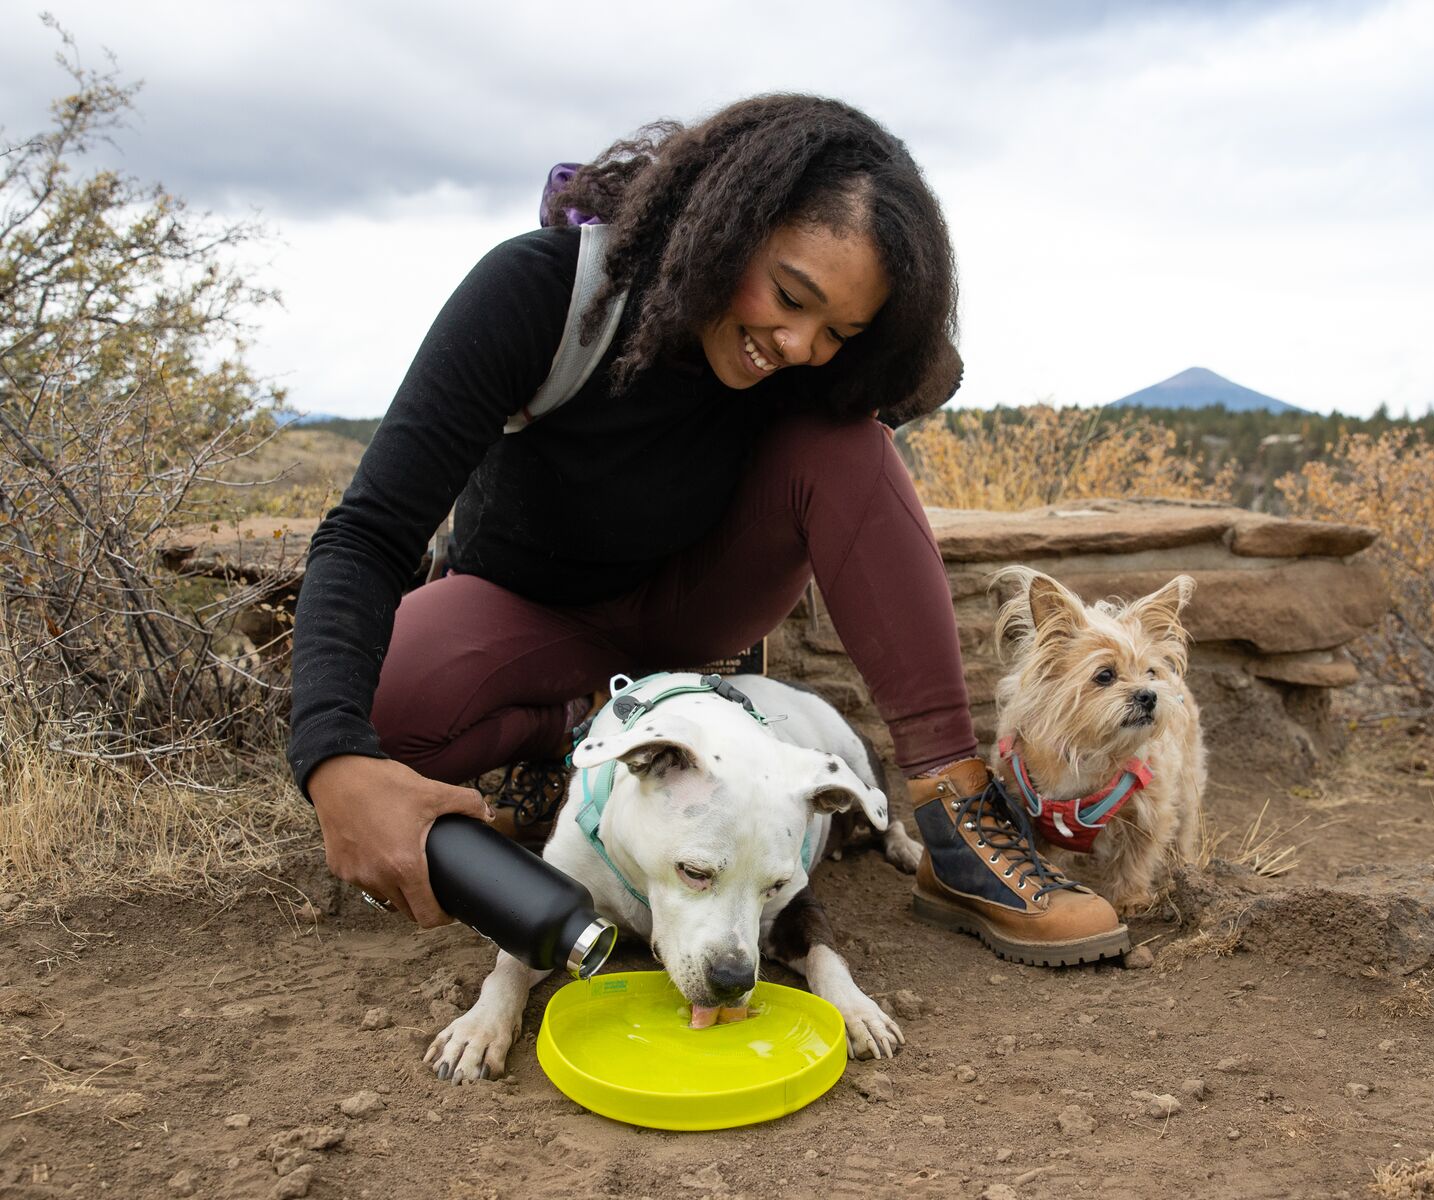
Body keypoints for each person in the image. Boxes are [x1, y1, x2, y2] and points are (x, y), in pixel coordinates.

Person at [288, 94, 1126, 966]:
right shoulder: (543, 294)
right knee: (379, 706)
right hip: (528, 611)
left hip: (692, 613)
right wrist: (333, 760)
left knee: (846, 437)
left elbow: (924, 377)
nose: (798, 343)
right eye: (790, 295)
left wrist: (878, 342)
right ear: (723, 222)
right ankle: (579, 740)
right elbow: (367, 532)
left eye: (838, 330)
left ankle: (956, 826)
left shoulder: (810, 365)